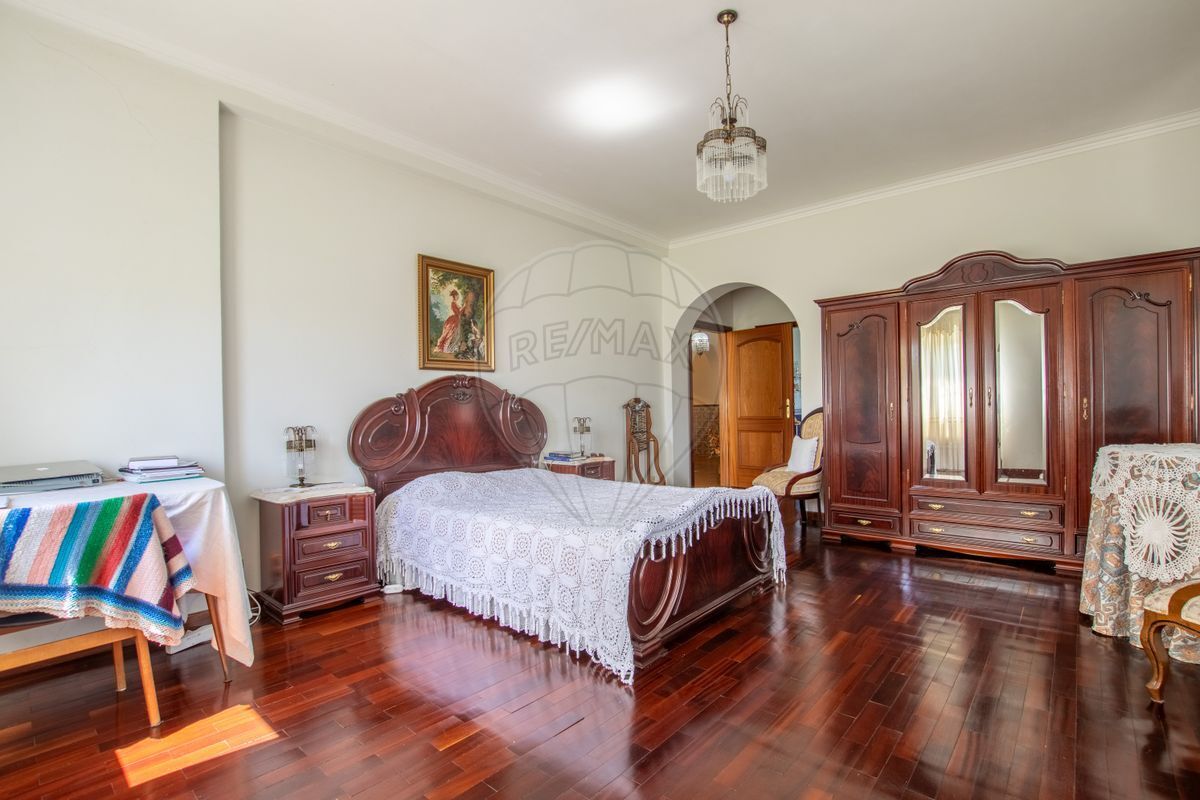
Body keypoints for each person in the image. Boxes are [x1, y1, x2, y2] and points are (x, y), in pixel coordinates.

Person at [435, 289, 461, 353]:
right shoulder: (453, 303)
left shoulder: (455, 303)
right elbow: (457, 312)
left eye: (458, 296)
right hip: (454, 320)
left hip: (456, 319)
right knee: (450, 333)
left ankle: (451, 348)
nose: (458, 297)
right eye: (457, 296)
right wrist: (462, 308)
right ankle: (446, 348)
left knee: (455, 334)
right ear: (455, 296)